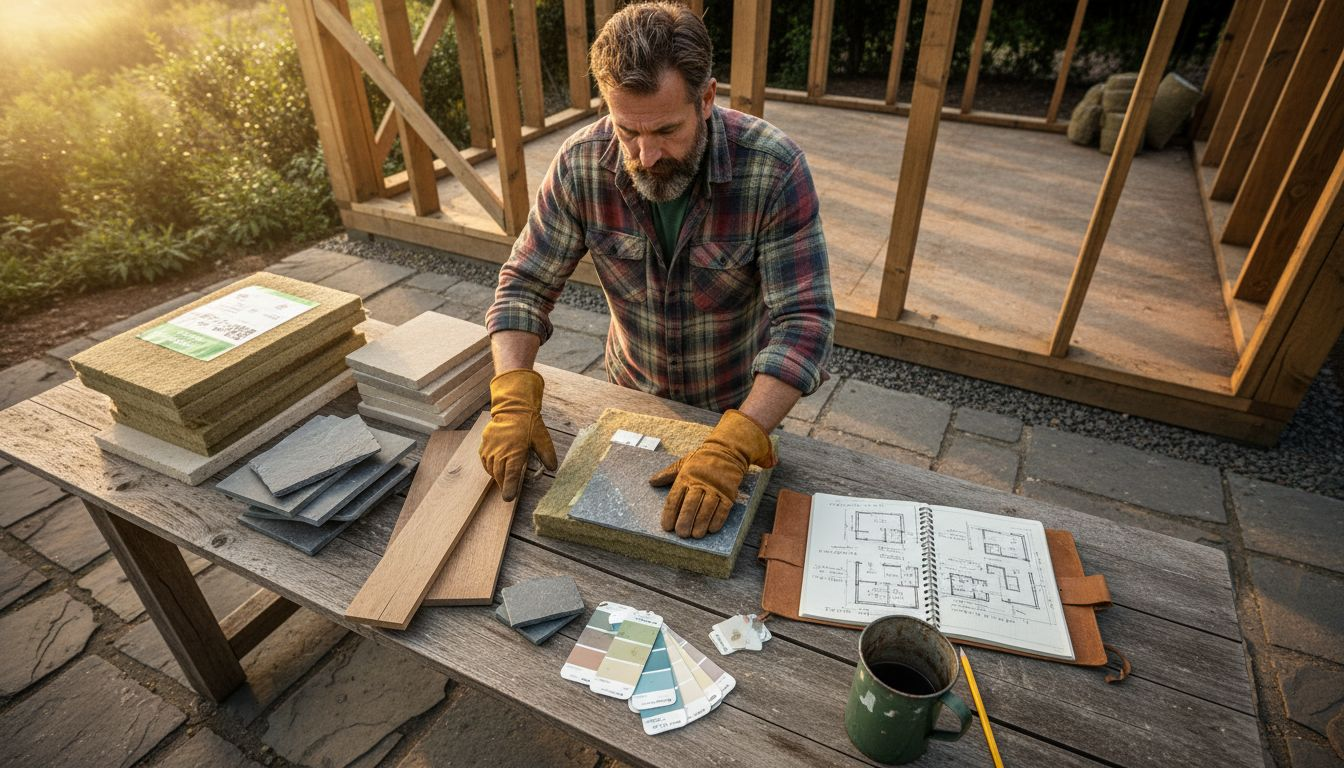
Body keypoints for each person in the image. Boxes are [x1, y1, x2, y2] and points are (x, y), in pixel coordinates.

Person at [478, 1, 834, 539]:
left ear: (706, 98)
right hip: (630, 395)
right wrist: (510, 395)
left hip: (738, 405)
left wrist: (738, 441)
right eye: (627, 131)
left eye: (667, 130)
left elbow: (805, 322)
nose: (645, 155)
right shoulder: (580, 164)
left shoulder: (774, 170)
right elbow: (524, 286)